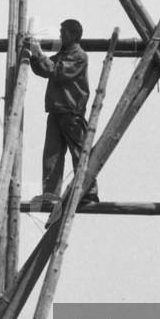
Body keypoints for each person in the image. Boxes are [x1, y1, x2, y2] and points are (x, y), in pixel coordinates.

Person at [27, 19, 98, 206]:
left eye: (64, 32)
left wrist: (38, 54)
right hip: (56, 111)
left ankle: (88, 192)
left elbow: (57, 71)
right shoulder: (63, 54)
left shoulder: (79, 56)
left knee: (79, 152)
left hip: (72, 112)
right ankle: (50, 195)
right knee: (52, 156)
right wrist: (34, 56)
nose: (60, 35)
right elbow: (45, 69)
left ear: (74, 35)